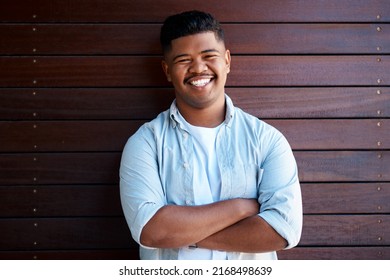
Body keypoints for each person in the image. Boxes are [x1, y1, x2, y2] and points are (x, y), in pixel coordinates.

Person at [120, 10, 302, 260]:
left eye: (209, 56)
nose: (198, 68)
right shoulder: (145, 143)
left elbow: (282, 231)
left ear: (227, 60)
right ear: (167, 70)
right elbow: (151, 230)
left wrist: (183, 235)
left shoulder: (267, 140)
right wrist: (241, 207)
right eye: (184, 60)